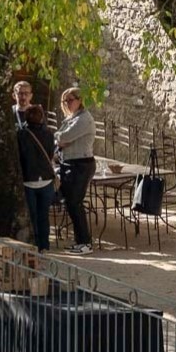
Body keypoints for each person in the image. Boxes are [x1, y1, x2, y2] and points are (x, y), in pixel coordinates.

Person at [55, 86, 96, 254]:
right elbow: (60, 138)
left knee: (75, 203)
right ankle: (80, 241)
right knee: (70, 203)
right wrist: (61, 140)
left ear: (80, 100)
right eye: (65, 100)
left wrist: (61, 139)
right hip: (68, 163)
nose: (67, 103)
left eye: (71, 100)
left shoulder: (84, 119)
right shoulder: (71, 118)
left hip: (81, 165)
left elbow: (63, 137)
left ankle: (85, 242)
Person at [17, 104, 57, 252]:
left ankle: (34, 246)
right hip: (46, 179)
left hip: (29, 179)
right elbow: (51, 155)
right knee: (43, 216)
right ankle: (44, 246)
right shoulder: (49, 134)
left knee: (32, 216)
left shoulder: (21, 134)